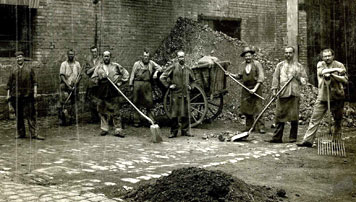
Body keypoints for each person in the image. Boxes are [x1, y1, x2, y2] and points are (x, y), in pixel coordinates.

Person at [297, 48, 348, 147]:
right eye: (325, 56)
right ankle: (308, 140)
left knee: (337, 120)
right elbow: (323, 72)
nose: (327, 58)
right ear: (322, 57)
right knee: (314, 119)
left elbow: (345, 80)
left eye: (329, 56)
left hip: (337, 96)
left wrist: (333, 75)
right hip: (323, 97)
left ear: (333, 56)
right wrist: (336, 71)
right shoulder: (320, 64)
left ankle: (336, 142)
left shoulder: (339, 64)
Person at [266, 46, 308, 143]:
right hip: (282, 94)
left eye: (290, 53)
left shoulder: (299, 67)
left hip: (294, 94)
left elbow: (304, 81)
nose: (288, 55)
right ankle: (277, 138)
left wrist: (298, 77)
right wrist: (274, 91)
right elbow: (275, 79)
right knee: (279, 116)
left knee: (294, 117)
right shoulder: (280, 66)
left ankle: (292, 138)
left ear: (293, 54)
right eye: (286, 53)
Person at [6, 51, 44, 140]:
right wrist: (8, 95)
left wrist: (35, 93)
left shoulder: (29, 69)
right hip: (16, 96)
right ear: (16, 59)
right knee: (19, 116)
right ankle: (21, 133)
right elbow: (9, 84)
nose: (19, 59)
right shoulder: (13, 70)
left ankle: (34, 133)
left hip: (28, 96)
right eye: (17, 57)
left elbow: (34, 82)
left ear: (23, 58)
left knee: (31, 115)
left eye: (20, 57)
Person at [91, 50, 129, 137]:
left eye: (108, 56)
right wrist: (99, 78)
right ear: (102, 57)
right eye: (105, 56)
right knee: (101, 110)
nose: (106, 58)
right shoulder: (99, 68)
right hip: (102, 90)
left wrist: (121, 83)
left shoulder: (115, 66)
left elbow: (126, 74)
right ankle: (104, 129)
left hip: (113, 90)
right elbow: (93, 78)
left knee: (116, 110)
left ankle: (118, 130)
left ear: (110, 57)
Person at [228, 46, 266, 133]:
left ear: (252, 56)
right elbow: (239, 76)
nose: (248, 57)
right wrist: (230, 74)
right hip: (246, 88)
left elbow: (261, 78)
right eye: (246, 56)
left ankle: (261, 127)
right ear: (244, 57)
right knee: (247, 107)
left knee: (258, 107)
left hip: (256, 87)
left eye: (249, 56)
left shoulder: (257, 64)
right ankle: (249, 126)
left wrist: (255, 89)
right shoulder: (242, 65)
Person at [160, 51, 195, 138]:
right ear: (177, 58)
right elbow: (162, 77)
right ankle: (173, 132)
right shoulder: (173, 67)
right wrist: (169, 85)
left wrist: (191, 86)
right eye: (180, 57)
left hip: (185, 94)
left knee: (186, 112)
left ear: (185, 57)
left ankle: (185, 131)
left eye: (182, 57)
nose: (181, 58)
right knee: (174, 114)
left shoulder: (187, 68)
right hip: (175, 94)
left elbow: (193, 80)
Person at [129, 48, 162, 127]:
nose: (146, 58)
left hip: (147, 84)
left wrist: (156, 73)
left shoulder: (151, 63)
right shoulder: (137, 64)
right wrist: (131, 85)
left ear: (149, 57)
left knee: (149, 102)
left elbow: (160, 68)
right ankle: (136, 121)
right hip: (137, 84)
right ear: (142, 57)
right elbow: (132, 75)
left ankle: (150, 120)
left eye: (147, 56)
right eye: (144, 56)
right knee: (136, 102)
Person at [58, 49, 82, 126]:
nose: (71, 56)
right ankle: (63, 119)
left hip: (74, 87)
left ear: (74, 55)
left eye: (72, 54)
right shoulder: (64, 64)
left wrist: (76, 83)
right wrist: (68, 86)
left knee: (73, 103)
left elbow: (80, 75)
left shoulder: (77, 64)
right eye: (70, 54)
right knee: (64, 103)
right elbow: (62, 76)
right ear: (67, 55)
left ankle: (72, 118)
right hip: (65, 86)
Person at [84, 46, 101, 123]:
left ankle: (101, 117)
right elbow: (87, 72)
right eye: (93, 52)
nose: (94, 53)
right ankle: (94, 118)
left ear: (97, 52)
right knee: (91, 100)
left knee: (99, 100)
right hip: (91, 83)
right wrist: (95, 67)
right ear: (91, 52)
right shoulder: (88, 61)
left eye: (95, 51)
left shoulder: (101, 60)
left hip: (99, 83)